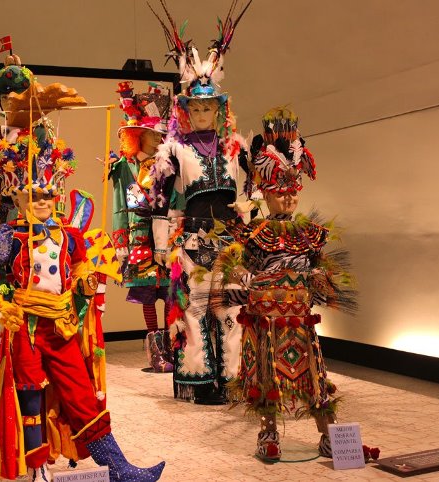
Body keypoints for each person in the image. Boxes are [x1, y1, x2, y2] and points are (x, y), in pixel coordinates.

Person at [0, 121, 165, 482]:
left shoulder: (70, 236)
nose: (41, 202)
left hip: (61, 326)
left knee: (81, 392)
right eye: (33, 196)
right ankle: (37, 469)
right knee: (30, 399)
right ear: (18, 198)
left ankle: (119, 467)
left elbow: (79, 270)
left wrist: (87, 283)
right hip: (24, 328)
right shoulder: (7, 237)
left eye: (46, 195)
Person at [218, 107, 357, 461]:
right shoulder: (253, 234)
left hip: (300, 323)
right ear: (264, 194)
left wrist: (319, 281)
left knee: (315, 376)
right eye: (281, 193)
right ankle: (268, 433)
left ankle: (329, 434)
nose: (289, 199)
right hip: (265, 325)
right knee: (266, 379)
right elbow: (233, 270)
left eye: (293, 192)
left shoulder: (309, 234)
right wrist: (244, 280)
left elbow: (320, 271)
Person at [148, 2, 251, 404]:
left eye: (210, 106)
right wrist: (161, 247)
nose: (204, 112)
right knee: (194, 310)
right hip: (191, 239)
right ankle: (199, 378)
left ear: (219, 109)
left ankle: (233, 377)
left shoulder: (234, 148)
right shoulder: (174, 150)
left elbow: (250, 193)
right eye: (197, 107)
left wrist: (252, 220)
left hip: (231, 239)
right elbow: (161, 200)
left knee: (232, 311)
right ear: (187, 110)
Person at [110, 81, 173, 372]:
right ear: (140, 134)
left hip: (167, 232)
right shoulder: (126, 167)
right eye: (153, 133)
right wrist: (120, 241)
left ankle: (175, 346)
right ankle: (156, 351)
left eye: (162, 133)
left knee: (172, 290)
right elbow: (119, 203)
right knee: (148, 291)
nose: (158, 139)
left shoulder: (169, 164)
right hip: (138, 233)